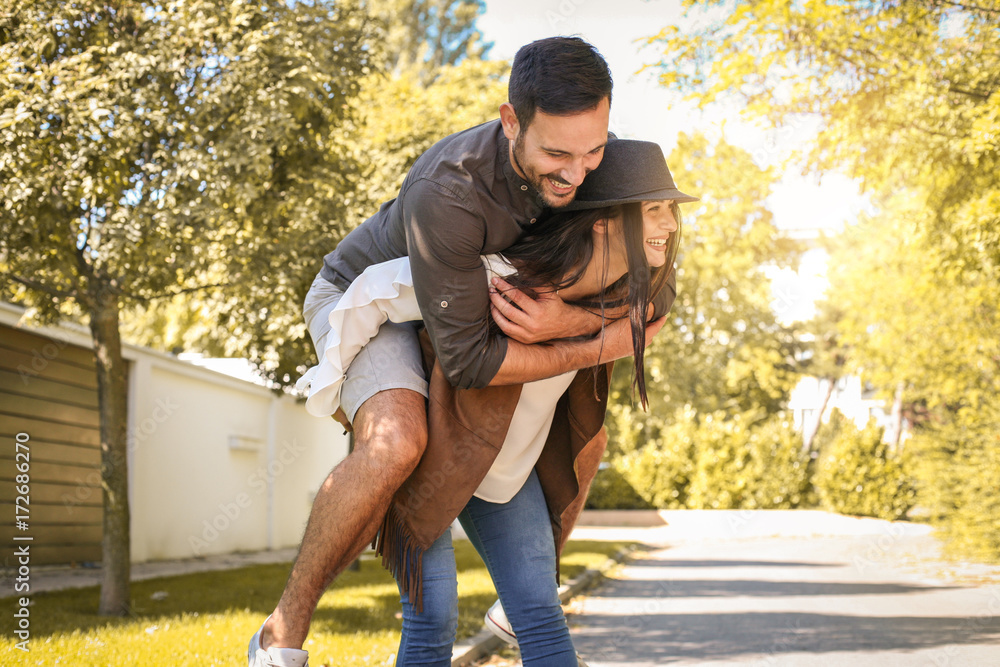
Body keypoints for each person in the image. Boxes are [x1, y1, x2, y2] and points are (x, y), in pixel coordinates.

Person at [248, 37, 674, 667]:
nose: (577, 173)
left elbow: (653, 300)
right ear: (511, 122)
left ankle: (527, 588)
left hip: (452, 320)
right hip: (373, 301)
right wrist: (576, 342)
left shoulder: (596, 164)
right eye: (556, 153)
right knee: (398, 441)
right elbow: (473, 361)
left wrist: (564, 320)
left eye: (593, 150)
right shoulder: (449, 191)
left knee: (569, 477)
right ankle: (283, 631)